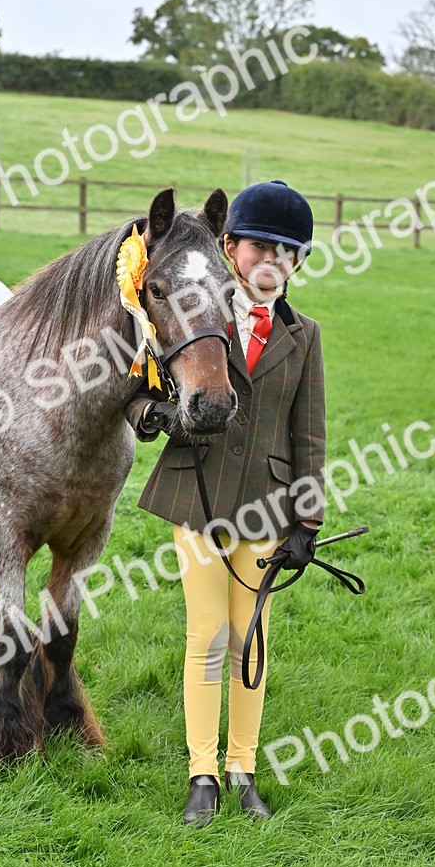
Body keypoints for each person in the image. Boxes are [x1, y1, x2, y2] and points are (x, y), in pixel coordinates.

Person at [125, 180, 325, 826]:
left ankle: (244, 770)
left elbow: (309, 433)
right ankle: (201, 773)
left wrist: (308, 521)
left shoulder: (305, 334)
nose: (272, 261)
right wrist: (161, 415)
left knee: (250, 638)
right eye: (259, 246)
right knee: (207, 635)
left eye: (287, 252)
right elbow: (133, 392)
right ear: (228, 246)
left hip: (267, 506)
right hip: (199, 495)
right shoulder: (189, 311)